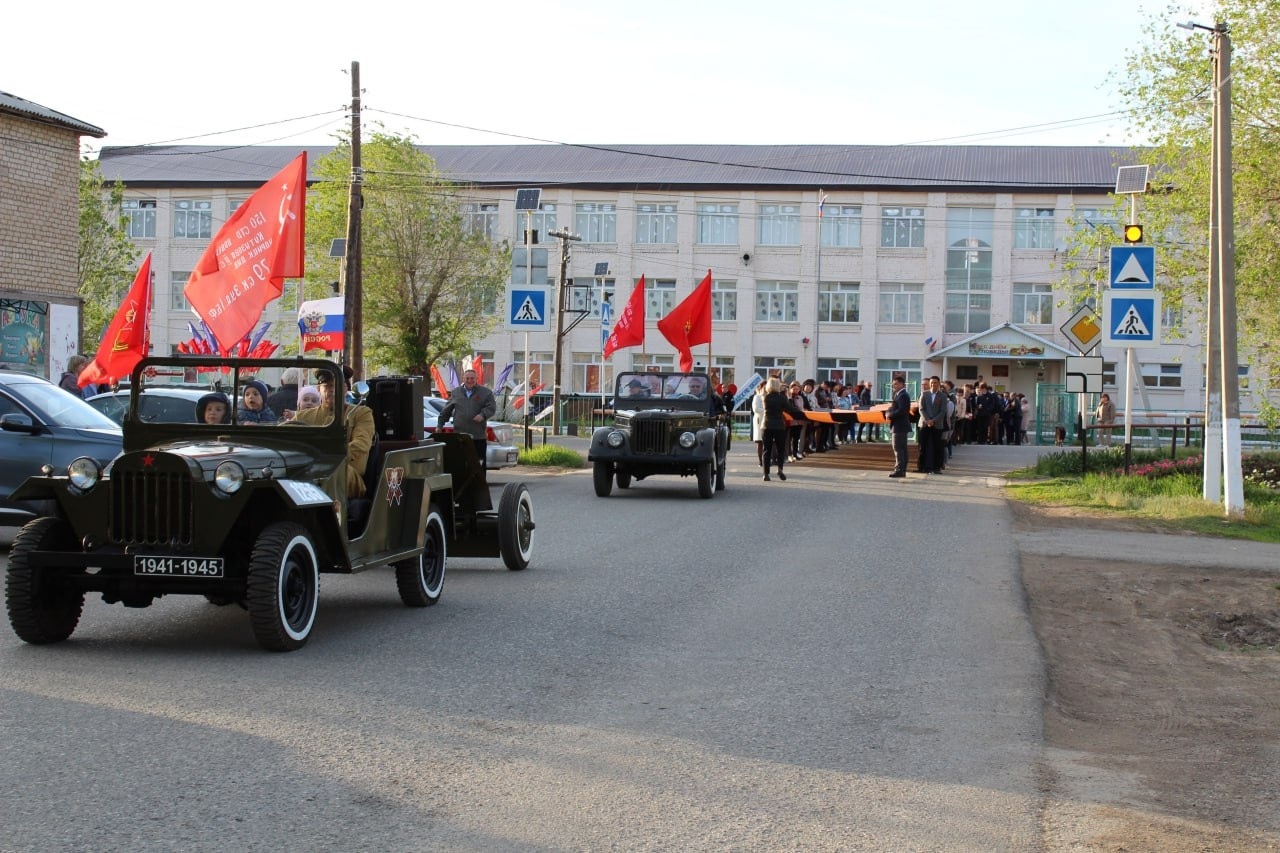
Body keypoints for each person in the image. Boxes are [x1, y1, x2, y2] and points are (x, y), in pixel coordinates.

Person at [290, 366, 376, 498]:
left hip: (348, 473)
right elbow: (285, 437)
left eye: (338, 386)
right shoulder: (303, 417)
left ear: (346, 389)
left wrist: (332, 455)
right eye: (328, 386)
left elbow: (362, 443)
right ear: (319, 389)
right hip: (306, 469)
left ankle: (330, 517)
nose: (333, 390)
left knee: (332, 472)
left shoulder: (361, 413)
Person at [438, 368, 497, 466]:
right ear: (463, 379)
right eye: (467, 378)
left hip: (478, 436)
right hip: (460, 436)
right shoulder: (456, 392)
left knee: (479, 464)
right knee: (461, 464)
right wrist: (439, 425)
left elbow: (492, 407)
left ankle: (479, 481)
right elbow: (446, 410)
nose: (470, 381)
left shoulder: (485, 392)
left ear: (476, 379)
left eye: (472, 378)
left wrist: (482, 415)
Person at [761, 377, 804, 482]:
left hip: (766, 425)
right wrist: (802, 413)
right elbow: (790, 409)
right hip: (779, 426)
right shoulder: (782, 398)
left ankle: (765, 474)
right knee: (781, 450)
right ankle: (780, 470)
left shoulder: (765, 397)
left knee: (766, 450)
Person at [886, 375, 914, 478]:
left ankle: (900, 469)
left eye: (896, 384)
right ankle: (902, 469)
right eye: (893, 384)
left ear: (902, 384)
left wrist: (890, 414)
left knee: (898, 448)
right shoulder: (898, 394)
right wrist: (889, 411)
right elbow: (893, 407)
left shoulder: (903, 395)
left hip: (900, 425)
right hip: (899, 425)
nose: (894, 386)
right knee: (901, 448)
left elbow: (902, 410)